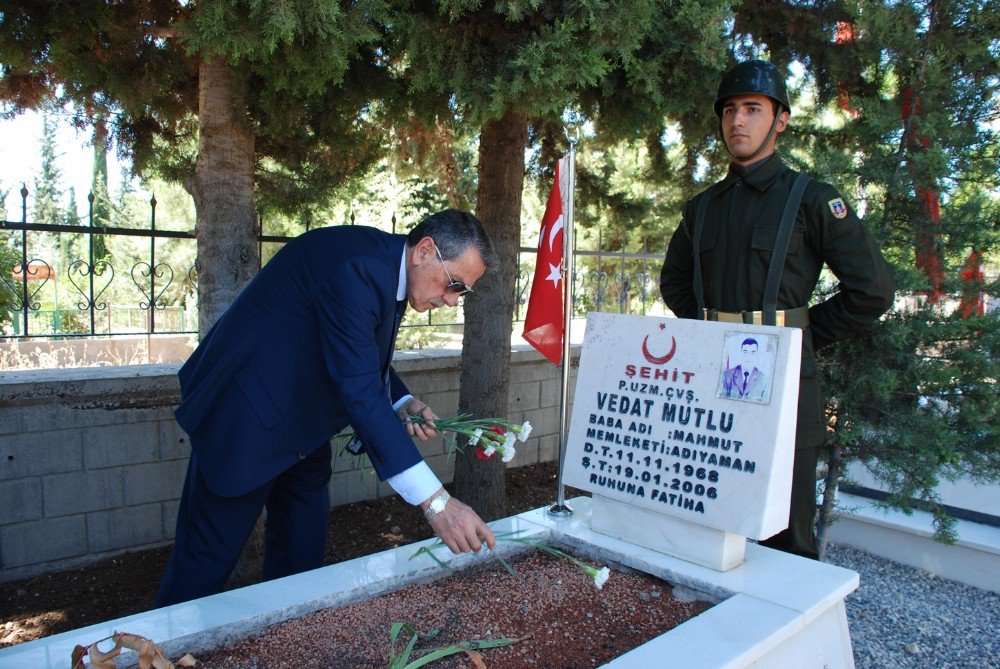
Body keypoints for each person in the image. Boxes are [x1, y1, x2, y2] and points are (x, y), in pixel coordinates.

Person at [156, 209, 499, 607]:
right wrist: (438, 503)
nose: (453, 300)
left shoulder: (389, 270)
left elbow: (357, 354)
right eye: (454, 284)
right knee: (201, 567)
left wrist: (401, 401)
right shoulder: (356, 268)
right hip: (244, 422)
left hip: (302, 430)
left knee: (301, 563)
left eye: (464, 292)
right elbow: (358, 389)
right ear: (425, 250)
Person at [660, 60, 895, 559]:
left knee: (787, 537)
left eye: (753, 109)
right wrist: (712, 334)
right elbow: (675, 283)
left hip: (787, 387)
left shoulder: (812, 201)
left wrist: (798, 338)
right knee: (710, 520)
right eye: (730, 110)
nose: (738, 121)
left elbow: (871, 291)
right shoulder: (701, 208)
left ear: (780, 120)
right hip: (711, 385)